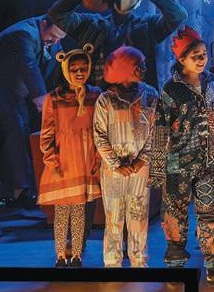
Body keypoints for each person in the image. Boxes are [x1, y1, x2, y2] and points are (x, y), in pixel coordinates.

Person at [151, 26, 214, 283]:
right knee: (175, 212)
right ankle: (176, 261)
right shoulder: (171, 90)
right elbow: (160, 128)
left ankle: (213, 261)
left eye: (204, 54)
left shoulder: (213, 84)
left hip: (209, 160)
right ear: (181, 59)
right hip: (178, 163)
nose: (201, 59)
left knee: (210, 212)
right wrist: (157, 168)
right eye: (195, 55)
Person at [0, 14, 68, 205]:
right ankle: (20, 191)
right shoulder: (23, 34)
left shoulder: (53, 39)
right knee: (15, 132)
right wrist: (41, 99)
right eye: (53, 36)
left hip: (16, 96)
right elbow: (29, 66)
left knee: (19, 136)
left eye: (60, 38)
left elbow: (59, 64)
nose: (55, 41)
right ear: (43, 23)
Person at [48, 0, 188, 90]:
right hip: (96, 99)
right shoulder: (92, 25)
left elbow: (178, 16)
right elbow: (57, 15)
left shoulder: (147, 26)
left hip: (136, 100)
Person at [93, 46, 158, 269]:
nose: (144, 68)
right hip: (113, 171)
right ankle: (112, 262)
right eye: (138, 66)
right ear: (124, 70)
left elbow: (157, 130)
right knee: (114, 217)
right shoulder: (106, 100)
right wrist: (115, 163)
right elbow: (99, 135)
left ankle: (139, 261)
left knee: (139, 217)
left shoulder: (150, 95)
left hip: (141, 168)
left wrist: (142, 159)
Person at [38, 45, 101, 267]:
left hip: (85, 160)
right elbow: (47, 133)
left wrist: (97, 159)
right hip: (64, 161)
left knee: (80, 210)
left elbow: (100, 130)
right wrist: (51, 160)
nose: (79, 73)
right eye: (74, 69)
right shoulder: (54, 98)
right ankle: (60, 254)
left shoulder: (95, 95)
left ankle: (76, 254)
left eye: (84, 68)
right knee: (62, 210)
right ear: (66, 70)